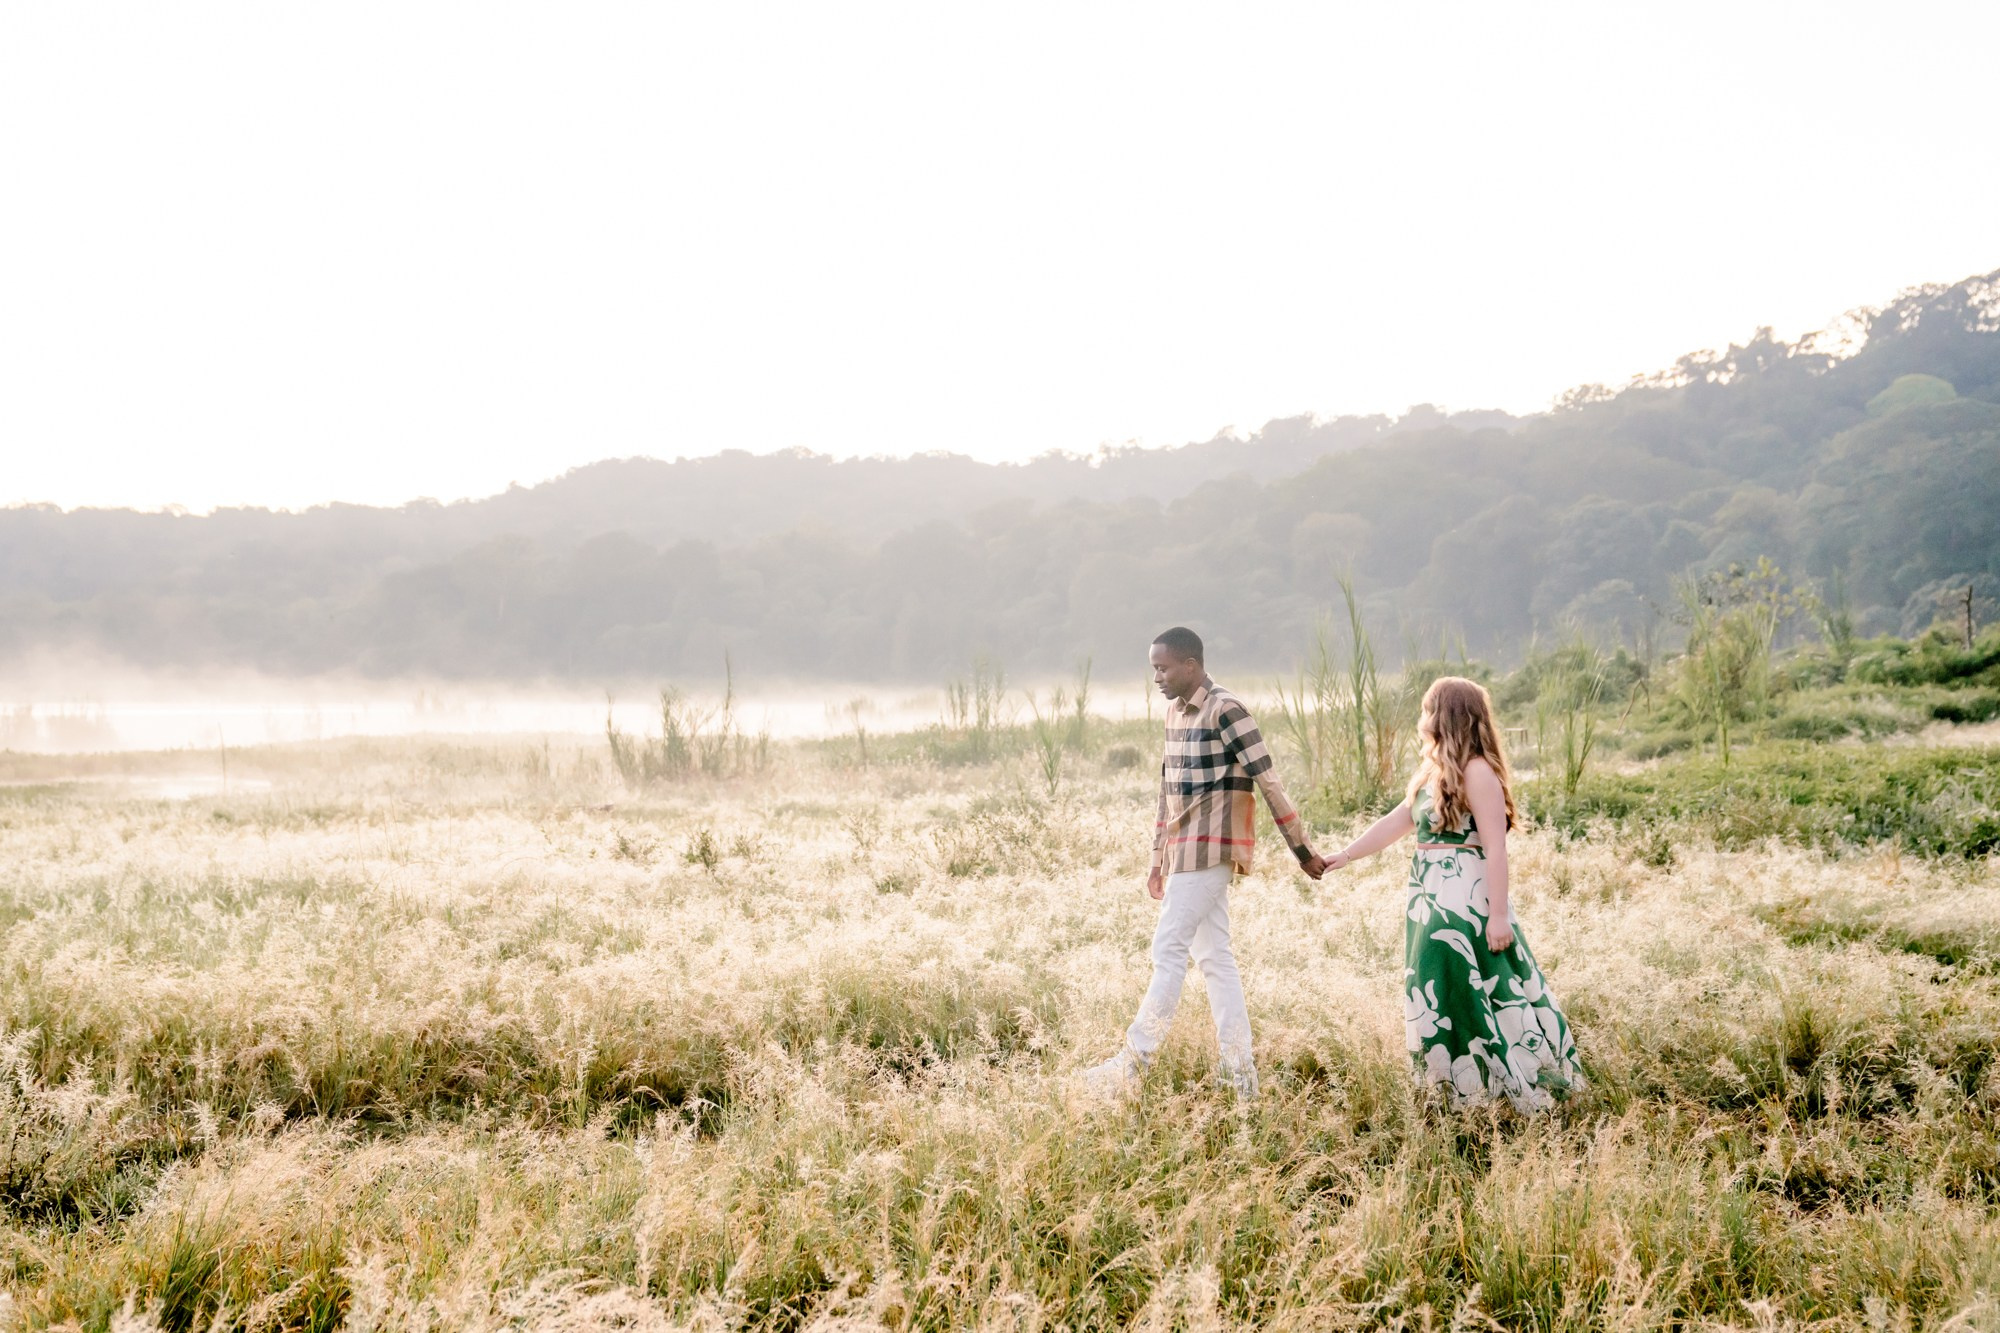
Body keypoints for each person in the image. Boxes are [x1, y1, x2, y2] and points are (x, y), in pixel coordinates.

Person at [1081, 626, 1326, 1099]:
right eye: (1153, 668)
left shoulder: (1227, 709)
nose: (1157, 676)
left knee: (1168, 951)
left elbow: (1269, 782)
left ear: (1190, 666)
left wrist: (1302, 850)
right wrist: (1158, 860)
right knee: (1215, 960)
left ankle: (1131, 1066)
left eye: (1163, 667)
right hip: (1183, 852)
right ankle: (1241, 1076)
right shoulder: (1174, 714)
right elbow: (1166, 793)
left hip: (1214, 850)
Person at [1323, 676, 1581, 1112]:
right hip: (1429, 894)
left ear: (1445, 716)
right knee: (1437, 987)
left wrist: (1497, 916)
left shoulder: (1479, 772)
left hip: (1466, 896)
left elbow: (1496, 849)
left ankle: (1505, 1085)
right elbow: (1396, 822)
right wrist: (1344, 856)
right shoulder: (1433, 771)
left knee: (1481, 986)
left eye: (1427, 710)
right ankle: (1453, 1089)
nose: (1421, 719)